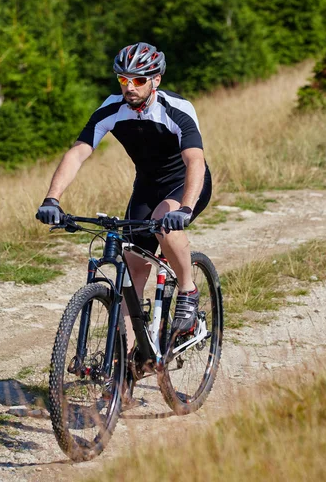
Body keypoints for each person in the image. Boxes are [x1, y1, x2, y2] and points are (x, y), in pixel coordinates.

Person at [36, 42, 212, 346]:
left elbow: (194, 160)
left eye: (139, 79)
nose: (130, 87)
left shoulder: (176, 108)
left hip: (184, 183)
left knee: (164, 224)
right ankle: (128, 359)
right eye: (123, 79)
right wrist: (52, 198)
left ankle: (187, 290)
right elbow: (78, 153)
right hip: (146, 185)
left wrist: (184, 208)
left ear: (156, 79)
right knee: (132, 268)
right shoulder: (111, 108)